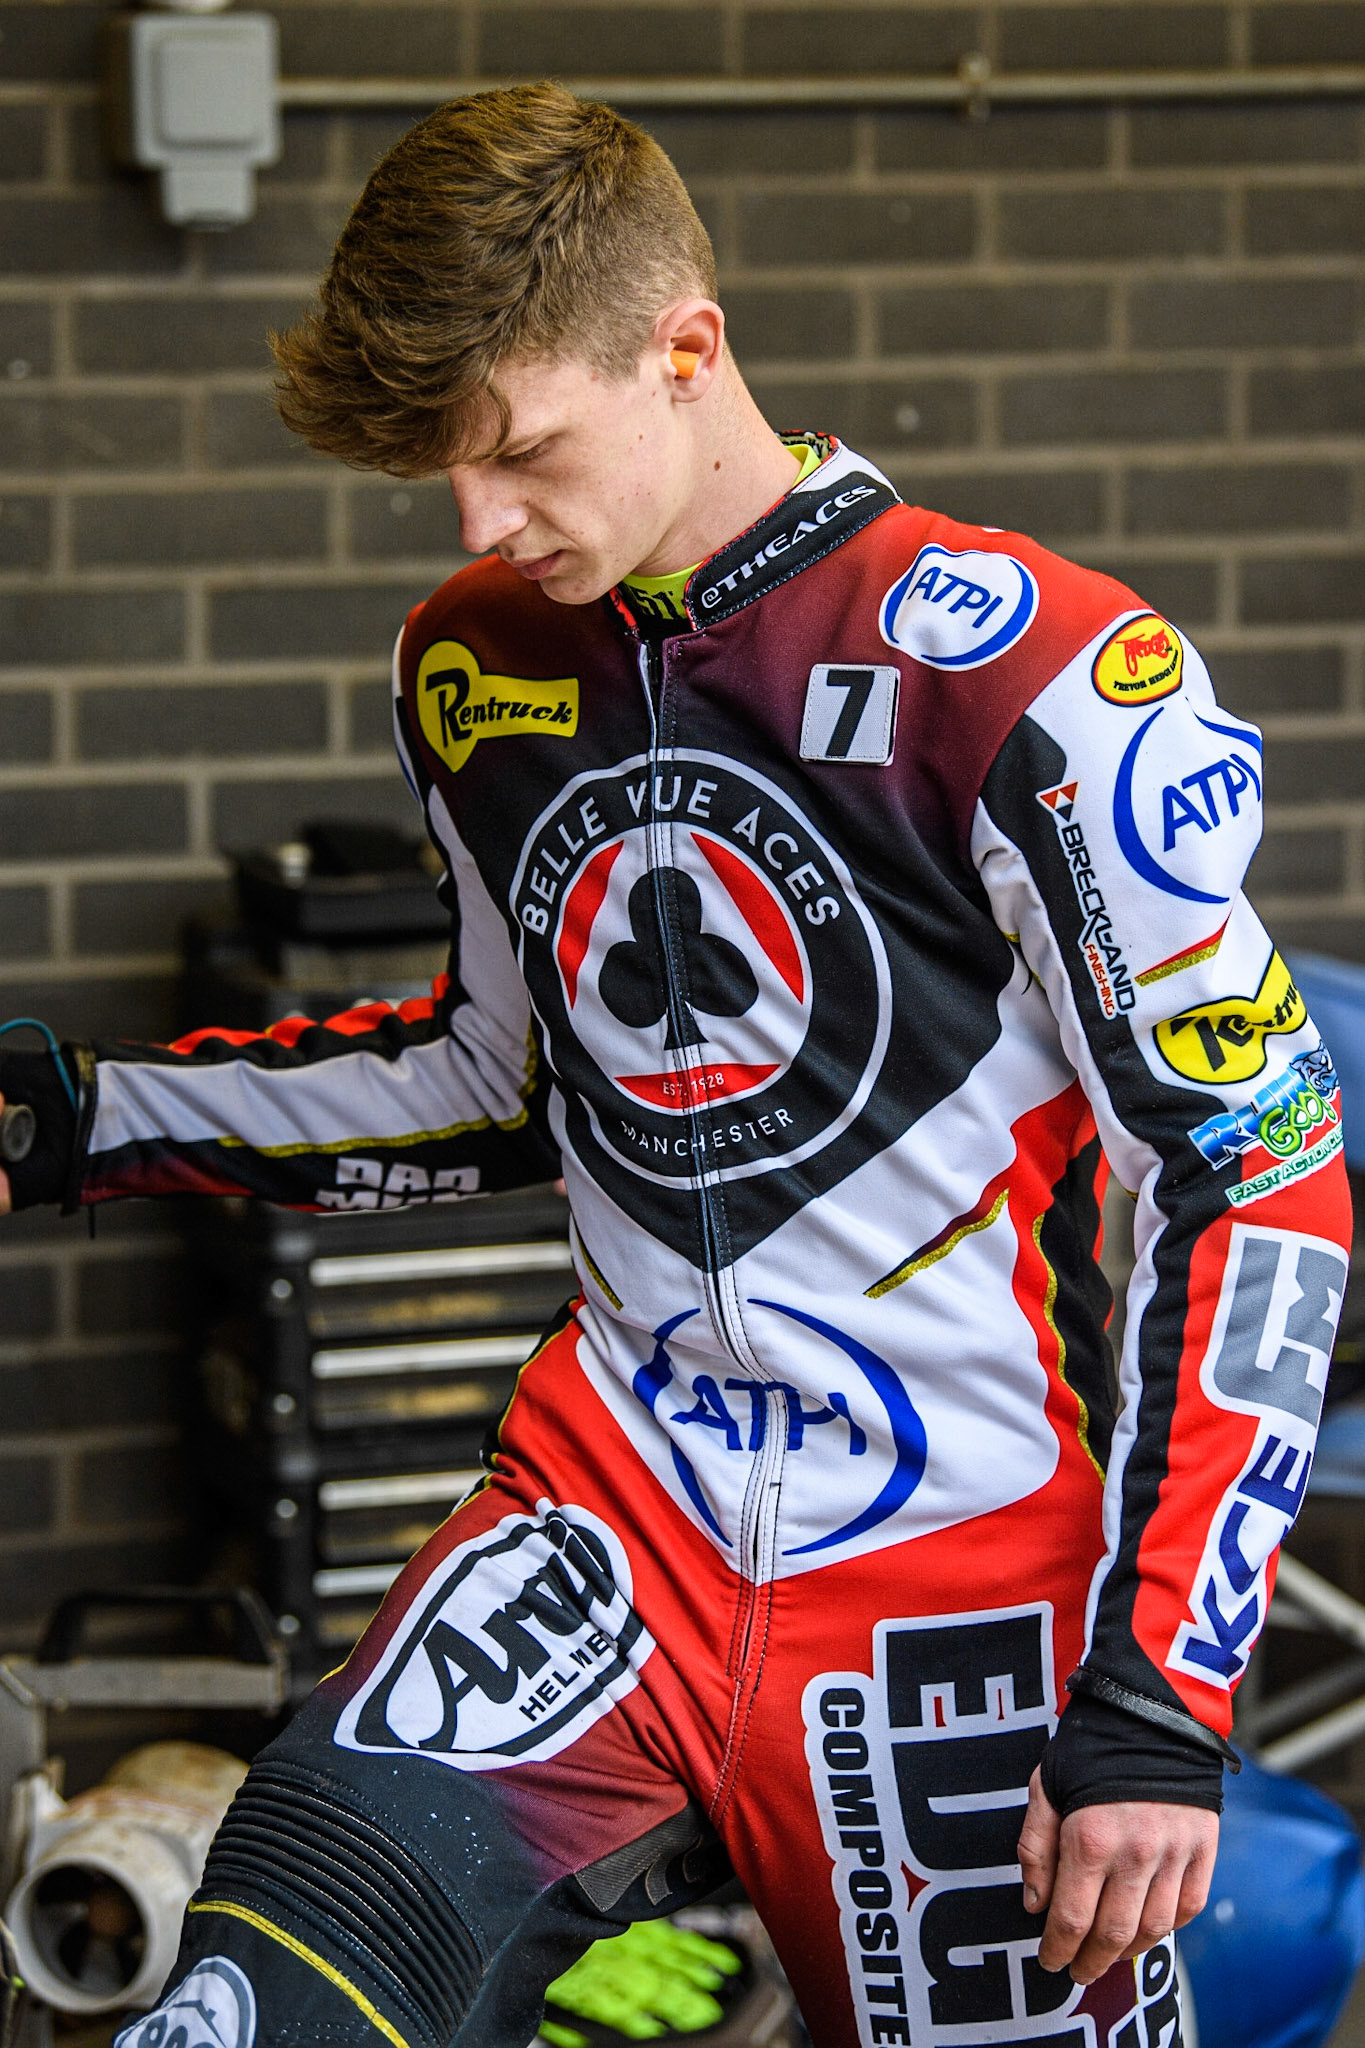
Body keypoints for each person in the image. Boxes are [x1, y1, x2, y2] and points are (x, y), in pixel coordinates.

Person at [0, 82, 1349, 2048]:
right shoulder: (473, 660)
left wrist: (1157, 1689)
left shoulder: (1031, 677)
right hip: (603, 1518)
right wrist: (93, 1120)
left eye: (524, 454)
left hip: (950, 1576)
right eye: (446, 476)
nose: (480, 523)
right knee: (243, 2002)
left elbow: (1255, 1179)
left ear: (686, 349)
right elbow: (488, 1083)